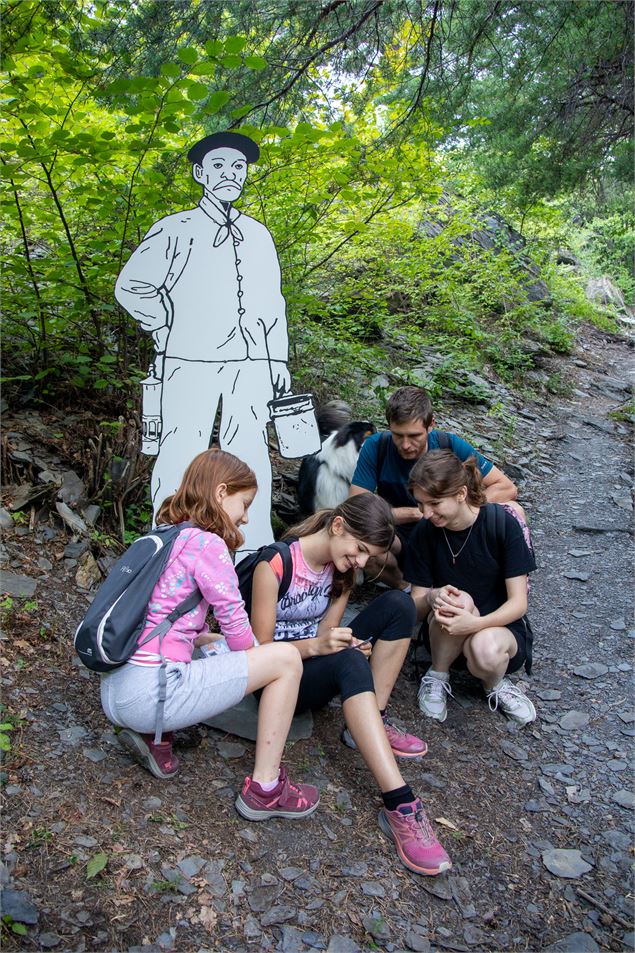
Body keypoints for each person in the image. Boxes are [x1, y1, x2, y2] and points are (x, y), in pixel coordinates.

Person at [100, 448, 320, 822]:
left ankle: (158, 739)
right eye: (244, 503)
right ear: (221, 493)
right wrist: (262, 667)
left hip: (117, 688)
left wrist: (217, 646)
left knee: (208, 644)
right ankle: (265, 789)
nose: (246, 517)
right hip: (150, 694)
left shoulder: (169, 534)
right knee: (285, 660)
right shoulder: (208, 544)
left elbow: (173, 624)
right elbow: (234, 621)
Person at [248, 494, 452, 876]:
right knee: (350, 662)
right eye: (359, 550)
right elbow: (259, 652)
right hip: (278, 678)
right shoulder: (276, 563)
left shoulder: (342, 572)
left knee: (400, 605)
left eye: (367, 556)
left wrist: (342, 641)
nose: (360, 562)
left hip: (314, 659)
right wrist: (322, 647)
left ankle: (371, 721)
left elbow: (328, 631)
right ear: (337, 526)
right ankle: (401, 804)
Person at [115, 131, 291, 552]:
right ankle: (165, 545)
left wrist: (277, 360)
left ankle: (249, 549)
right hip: (188, 363)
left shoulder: (258, 235)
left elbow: (273, 303)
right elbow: (132, 286)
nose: (229, 174)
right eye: (218, 166)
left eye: (237, 167)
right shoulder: (176, 228)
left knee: (250, 454)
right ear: (199, 173)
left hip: (250, 364)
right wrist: (167, 327)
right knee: (181, 450)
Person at [405, 449, 537, 726]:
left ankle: (494, 684)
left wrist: (473, 624)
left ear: (461, 494)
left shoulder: (502, 524)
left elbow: (518, 603)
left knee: (484, 647)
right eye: (420, 505)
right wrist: (432, 596)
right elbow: (415, 607)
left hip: (498, 632)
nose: (426, 514)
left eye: (435, 503)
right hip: (444, 634)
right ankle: (438, 675)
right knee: (456, 598)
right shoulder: (424, 534)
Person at [349, 386, 521, 588]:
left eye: (414, 436)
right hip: (400, 536)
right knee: (360, 538)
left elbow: (506, 488)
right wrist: (417, 513)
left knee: (513, 510)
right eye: (398, 435)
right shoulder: (377, 447)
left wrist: (460, 508)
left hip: (447, 531)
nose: (405, 445)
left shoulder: (449, 445)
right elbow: (358, 510)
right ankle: (408, 591)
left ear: (431, 425)